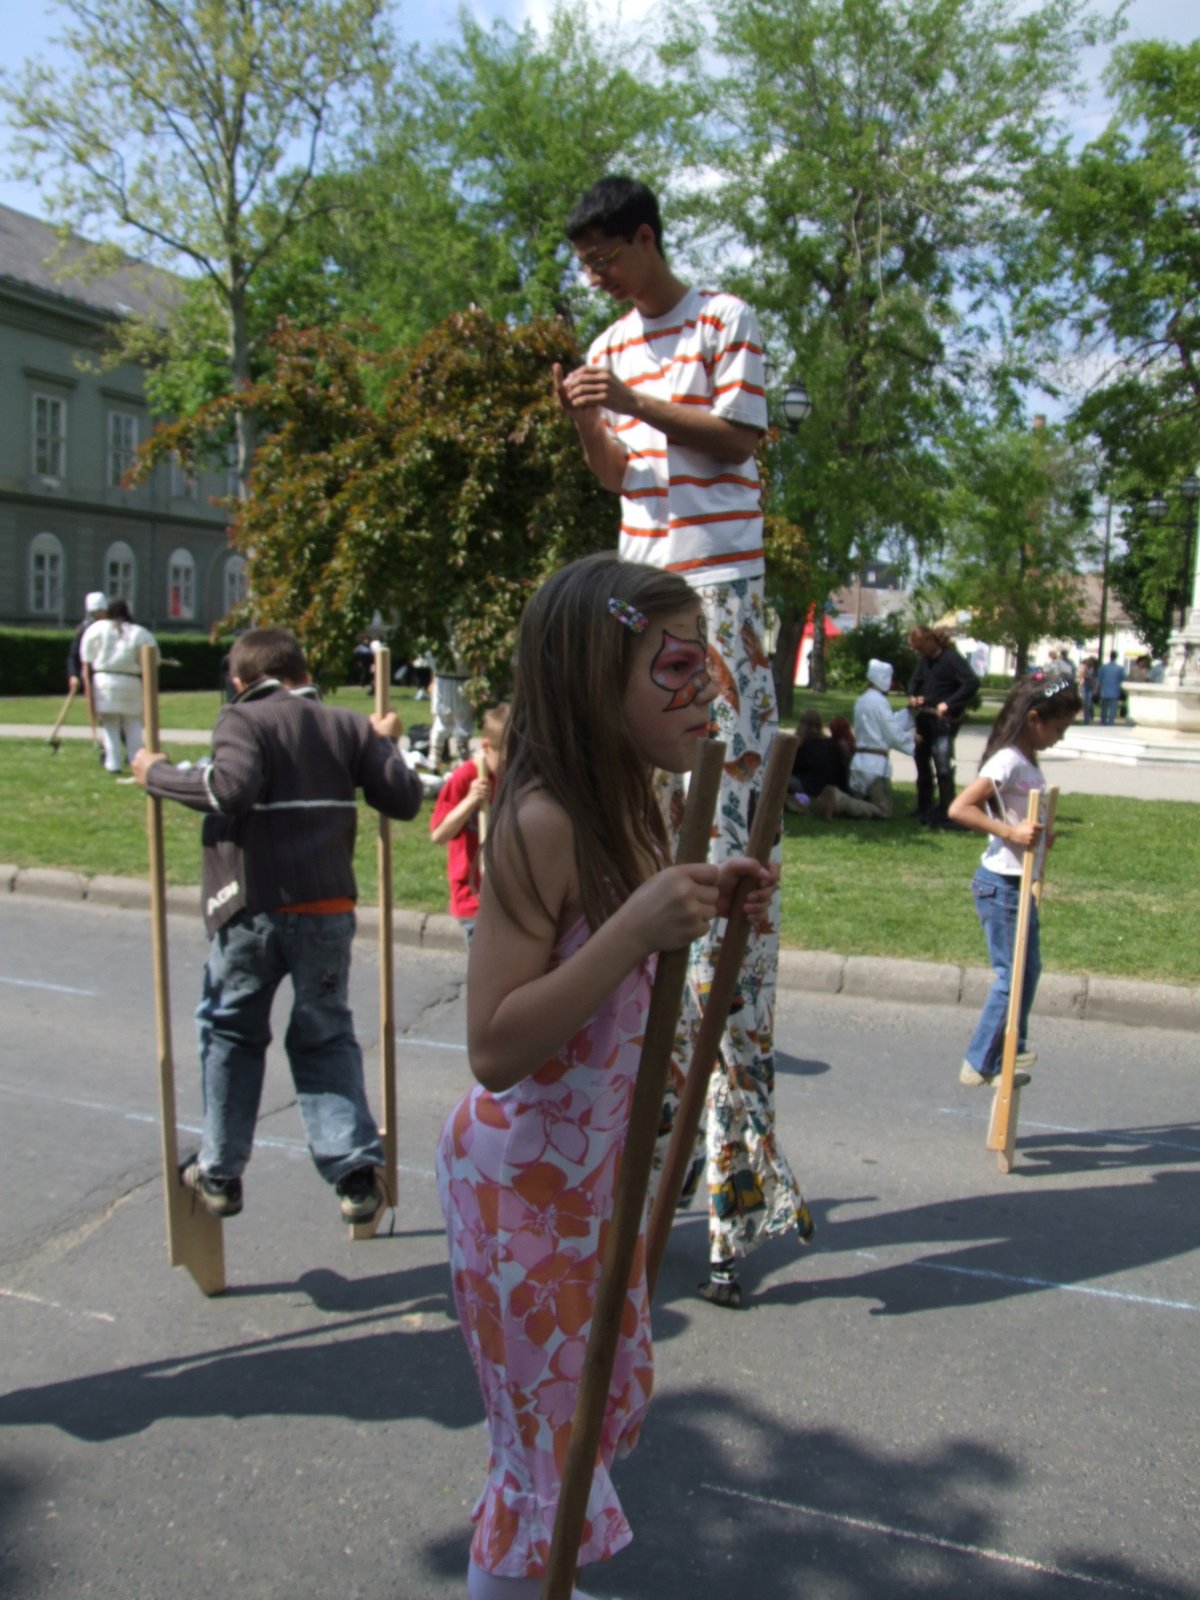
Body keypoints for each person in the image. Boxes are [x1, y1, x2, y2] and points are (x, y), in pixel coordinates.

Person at [436, 555, 777, 1600]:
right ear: (594, 681)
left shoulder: (635, 804)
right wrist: (634, 927)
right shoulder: (541, 821)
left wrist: (706, 899)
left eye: (706, 665)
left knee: (586, 1425)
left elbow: (632, 968)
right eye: (675, 668)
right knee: (543, 1450)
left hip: (589, 1177)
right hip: (522, 1185)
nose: (707, 690)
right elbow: (494, 1045)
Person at [553, 174, 810, 1307]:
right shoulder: (608, 343)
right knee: (641, 864)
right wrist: (586, 416)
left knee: (732, 877)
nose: (598, 277)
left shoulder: (723, 321)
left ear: (647, 238)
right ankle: (649, 1162)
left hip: (720, 601)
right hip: (638, 603)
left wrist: (635, 399)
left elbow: (739, 441)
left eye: (607, 255)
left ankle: (735, 1188)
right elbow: (621, 475)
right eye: (587, 263)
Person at [131, 626, 424, 1225]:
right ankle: (355, 1173)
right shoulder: (348, 725)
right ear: (303, 672)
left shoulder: (242, 718)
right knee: (326, 1035)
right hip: (327, 911)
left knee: (232, 1033)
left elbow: (230, 788)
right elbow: (403, 798)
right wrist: (385, 743)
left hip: (254, 908)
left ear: (241, 680)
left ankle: (220, 1172)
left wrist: (154, 774)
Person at [947, 675, 1082, 1087]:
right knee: (1012, 975)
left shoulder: (1026, 760)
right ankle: (979, 1061)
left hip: (1019, 882)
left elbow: (1018, 815)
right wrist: (1011, 833)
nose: (1060, 738)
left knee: (1029, 969)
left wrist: (1038, 834)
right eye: (1058, 729)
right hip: (1000, 885)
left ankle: (1012, 1044)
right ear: (1034, 719)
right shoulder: (1007, 760)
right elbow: (960, 808)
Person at [429, 703, 510, 945]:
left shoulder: (514, 779)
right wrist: (470, 801)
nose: (511, 766)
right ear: (486, 746)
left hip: (508, 895)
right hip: (474, 898)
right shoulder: (465, 777)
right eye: (506, 760)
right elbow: (438, 835)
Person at [813, 659, 915, 819]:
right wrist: (913, 742)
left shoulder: (861, 701)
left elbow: (885, 724)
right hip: (875, 765)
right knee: (884, 811)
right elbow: (891, 733)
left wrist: (909, 712)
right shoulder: (880, 702)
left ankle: (837, 800)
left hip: (859, 763)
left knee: (861, 805)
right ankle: (839, 799)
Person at [906, 624, 979, 826]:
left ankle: (948, 809)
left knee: (943, 766)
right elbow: (914, 681)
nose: (919, 653)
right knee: (922, 763)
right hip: (925, 718)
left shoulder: (951, 658)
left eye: (920, 648)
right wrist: (913, 697)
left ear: (929, 641)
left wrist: (949, 703)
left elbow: (971, 683)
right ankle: (924, 807)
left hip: (943, 722)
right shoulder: (925, 661)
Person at [79, 597, 156, 774]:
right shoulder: (139, 632)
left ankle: (113, 763)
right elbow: (153, 658)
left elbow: (86, 656)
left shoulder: (96, 629)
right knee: (133, 725)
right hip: (130, 681)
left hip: (104, 681)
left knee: (110, 725)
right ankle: (137, 762)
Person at [787, 708, 847, 811]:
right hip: (830, 787)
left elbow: (793, 768)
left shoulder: (805, 745)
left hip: (810, 788)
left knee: (786, 779)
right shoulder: (830, 744)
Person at [67, 590, 108, 697]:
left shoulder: (111, 628)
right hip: (90, 674)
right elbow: (74, 654)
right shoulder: (84, 629)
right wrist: (73, 675)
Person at [1097, 650, 1125, 726]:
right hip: (1115, 690)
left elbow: (1099, 680)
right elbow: (1122, 678)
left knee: (1104, 707)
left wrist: (1097, 689)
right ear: (1116, 657)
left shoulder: (1103, 667)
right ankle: (1111, 722)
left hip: (1104, 690)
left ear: (1110, 656)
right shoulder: (1120, 668)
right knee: (1113, 707)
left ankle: (1103, 721)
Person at [1080, 656, 1099, 724]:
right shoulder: (1085, 669)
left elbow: (1096, 680)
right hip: (1085, 687)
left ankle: (1091, 715)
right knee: (1085, 703)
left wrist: (1096, 689)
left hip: (1091, 687)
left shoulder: (1095, 670)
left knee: (1090, 704)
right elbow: (1082, 677)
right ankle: (1086, 719)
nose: (1088, 663)